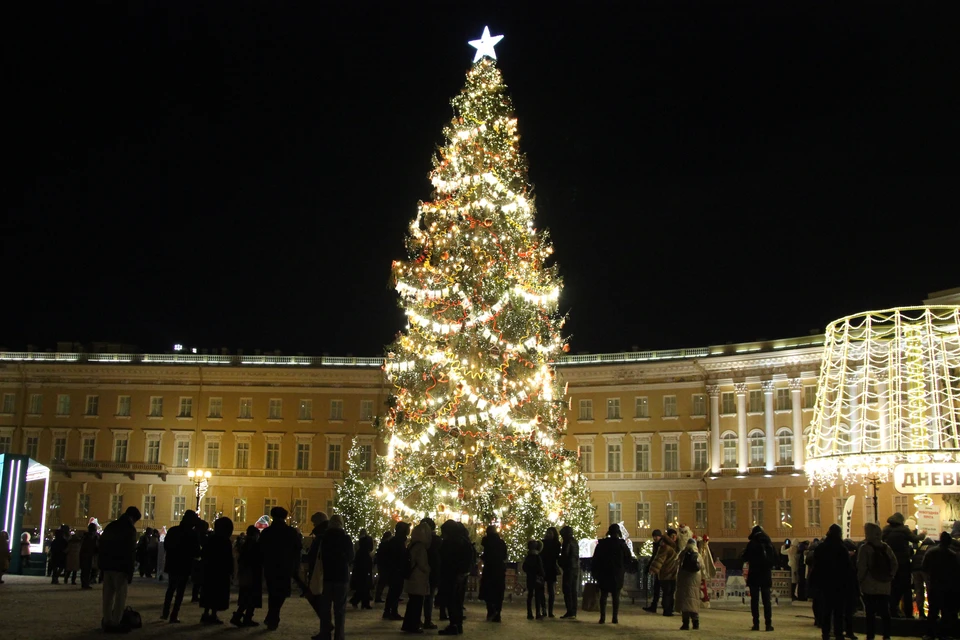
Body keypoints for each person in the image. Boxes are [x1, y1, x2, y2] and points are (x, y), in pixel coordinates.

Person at [259, 506, 304, 631]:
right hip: (286, 566)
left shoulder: (267, 532)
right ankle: (273, 616)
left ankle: (272, 616)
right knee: (282, 593)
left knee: (273, 592)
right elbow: (298, 547)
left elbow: (261, 548)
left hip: (271, 566)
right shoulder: (290, 531)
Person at [98, 506, 142, 633]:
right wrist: (129, 570)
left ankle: (107, 620)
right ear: (133, 518)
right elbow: (130, 552)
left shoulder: (111, 526)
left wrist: (102, 565)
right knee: (120, 596)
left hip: (107, 565)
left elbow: (102, 545)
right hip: (121, 566)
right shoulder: (129, 529)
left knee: (107, 595)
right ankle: (116, 622)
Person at [857, 521, 897, 640]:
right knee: (885, 612)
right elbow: (894, 563)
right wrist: (891, 576)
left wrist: (859, 581)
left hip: (870, 585)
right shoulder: (886, 547)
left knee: (870, 613)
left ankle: (870, 635)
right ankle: (886, 635)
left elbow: (862, 567)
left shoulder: (865, 548)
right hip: (885, 585)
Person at [812, 524, 851, 640]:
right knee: (838, 611)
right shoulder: (842, 548)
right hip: (839, 583)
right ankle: (838, 633)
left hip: (825, 583)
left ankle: (825, 633)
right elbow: (847, 568)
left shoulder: (821, 548)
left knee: (826, 610)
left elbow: (816, 566)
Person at [319, 514, 355, 640]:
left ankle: (325, 633)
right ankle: (339, 635)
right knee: (340, 609)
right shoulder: (345, 538)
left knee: (326, 608)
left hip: (328, 576)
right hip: (341, 576)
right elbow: (351, 557)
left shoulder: (325, 538)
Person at [161, 510, 200, 623]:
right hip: (184, 565)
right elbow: (196, 551)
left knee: (171, 588)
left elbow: (166, 546)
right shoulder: (192, 534)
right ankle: (174, 615)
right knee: (180, 591)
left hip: (173, 563)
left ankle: (165, 612)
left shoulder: (173, 530)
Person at [438, 520, 474, 636]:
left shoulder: (451, 543)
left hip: (451, 575)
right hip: (460, 575)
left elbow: (446, 559)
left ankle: (454, 624)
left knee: (451, 600)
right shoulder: (464, 541)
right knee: (457, 601)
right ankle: (457, 624)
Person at [922, 531, 960, 640]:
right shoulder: (952, 555)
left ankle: (930, 633)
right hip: (948, 587)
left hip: (935, 585)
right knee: (946, 612)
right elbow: (957, 572)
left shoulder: (931, 552)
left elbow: (924, 567)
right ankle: (944, 634)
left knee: (933, 611)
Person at [881, 512, 918, 619]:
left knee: (893, 587)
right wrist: (923, 534)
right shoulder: (904, 529)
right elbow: (915, 539)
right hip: (903, 563)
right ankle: (908, 613)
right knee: (906, 588)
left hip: (890, 562)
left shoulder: (886, 529)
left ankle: (892, 610)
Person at [592, 523, 631, 624]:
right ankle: (615, 617)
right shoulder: (621, 544)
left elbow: (596, 559)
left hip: (604, 573)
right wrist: (623, 568)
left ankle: (602, 617)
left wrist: (595, 572)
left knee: (603, 596)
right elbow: (628, 558)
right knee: (615, 596)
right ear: (618, 533)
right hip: (617, 573)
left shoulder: (602, 544)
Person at [742, 525, 777, 632]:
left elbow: (744, 557)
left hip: (754, 575)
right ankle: (768, 624)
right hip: (766, 575)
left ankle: (756, 624)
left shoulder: (752, 543)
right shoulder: (768, 543)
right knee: (767, 601)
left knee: (755, 601)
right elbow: (775, 558)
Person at [200, 517, 234, 624]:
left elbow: (204, 553)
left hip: (210, 570)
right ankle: (213, 615)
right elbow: (228, 557)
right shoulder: (225, 541)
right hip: (220, 571)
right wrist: (230, 570)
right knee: (217, 593)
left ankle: (206, 614)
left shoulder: (211, 539)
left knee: (209, 592)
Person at [401, 521, 432, 633]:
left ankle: (408, 624)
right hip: (418, 578)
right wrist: (429, 570)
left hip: (412, 578)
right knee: (417, 604)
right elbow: (422, 564)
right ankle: (413, 625)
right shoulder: (420, 547)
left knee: (412, 603)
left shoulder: (412, 545)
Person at [231, 525, 263, 627]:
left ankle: (242, 617)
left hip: (246, 574)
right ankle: (243, 617)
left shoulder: (245, 544)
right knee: (250, 597)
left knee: (246, 597)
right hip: (252, 574)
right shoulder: (254, 545)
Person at [382, 521, 410, 621]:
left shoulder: (397, 541)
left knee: (394, 592)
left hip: (395, 570)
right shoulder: (398, 542)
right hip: (396, 570)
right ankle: (390, 611)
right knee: (394, 591)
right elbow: (397, 557)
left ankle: (391, 611)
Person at [480, 525, 507, 622]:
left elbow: (486, 555)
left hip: (489, 569)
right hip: (499, 569)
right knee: (498, 591)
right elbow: (504, 556)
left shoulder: (486, 542)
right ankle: (497, 612)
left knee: (488, 591)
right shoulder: (501, 542)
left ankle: (490, 611)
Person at [650, 528, 680, 617]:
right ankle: (667, 610)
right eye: (672, 536)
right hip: (666, 573)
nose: (674, 538)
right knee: (667, 592)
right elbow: (659, 559)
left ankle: (669, 609)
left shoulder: (672, 547)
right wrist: (654, 569)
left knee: (670, 592)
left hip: (672, 573)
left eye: (675, 536)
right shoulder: (665, 547)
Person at [677, 537, 702, 630]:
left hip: (684, 579)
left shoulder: (683, 553)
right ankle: (696, 622)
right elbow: (702, 567)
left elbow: (678, 563)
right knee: (694, 601)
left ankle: (685, 623)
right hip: (695, 581)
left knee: (685, 602)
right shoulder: (698, 555)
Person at [421, 517, 442, 630]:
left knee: (420, 597)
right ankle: (427, 620)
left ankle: (418, 619)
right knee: (429, 597)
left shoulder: (419, 541)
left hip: (420, 572)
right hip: (432, 571)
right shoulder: (437, 541)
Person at [350, 529, 374, 610]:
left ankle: (363, 602)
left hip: (361, 571)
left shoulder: (360, 552)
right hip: (364, 571)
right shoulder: (365, 553)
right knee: (364, 586)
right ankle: (359, 601)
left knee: (363, 586)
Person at [558, 525, 580, 619]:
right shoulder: (575, 542)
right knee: (573, 590)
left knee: (567, 589)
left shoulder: (567, 542)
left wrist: (560, 562)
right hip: (575, 567)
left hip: (568, 567)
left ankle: (570, 611)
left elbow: (565, 555)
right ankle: (573, 611)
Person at [540, 526, 561, 618]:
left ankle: (550, 610)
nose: (548, 535)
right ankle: (544, 609)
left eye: (550, 533)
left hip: (550, 567)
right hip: (543, 567)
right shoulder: (543, 543)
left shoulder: (556, 544)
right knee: (542, 590)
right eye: (547, 533)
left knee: (551, 590)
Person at [522, 539, 546, 620]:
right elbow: (541, 568)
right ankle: (538, 613)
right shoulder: (537, 557)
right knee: (538, 596)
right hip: (537, 578)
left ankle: (529, 613)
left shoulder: (528, 557)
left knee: (530, 595)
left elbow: (524, 567)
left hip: (530, 577)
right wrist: (542, 575)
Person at [644, 529, 664, 612]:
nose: (655, 538)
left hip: (662, 569)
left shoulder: (662, 545)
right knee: (656, 587)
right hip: (658, 569)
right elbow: (653, 557)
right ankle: (654, 605)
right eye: (654, 536)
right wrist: (649, 566)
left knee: (662, 588)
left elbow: (658, 557)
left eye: (656, 536)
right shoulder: (656, 544)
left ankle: (665, 605)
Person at [374, 529, 393, 603]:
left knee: (382, 582)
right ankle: (378, 597)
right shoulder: (386, 544)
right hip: (384, 566)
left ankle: (378, 596)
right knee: (382, 582)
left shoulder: (382, 544)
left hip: (382, 565)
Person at [79, 524, 99, 589]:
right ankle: (85, 583)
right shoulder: (93, 537)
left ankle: (85, 583)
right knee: (87, 570)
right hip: (88, 554)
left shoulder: (85, 536)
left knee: (86, 570)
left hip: (86, 554)